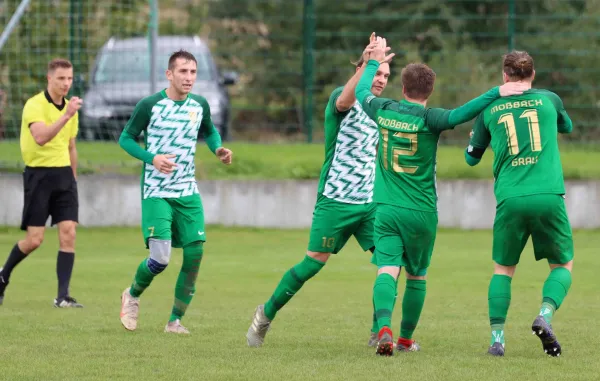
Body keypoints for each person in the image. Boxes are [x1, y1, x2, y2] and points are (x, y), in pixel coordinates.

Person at [354, 38, 528, 356]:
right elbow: (461, 114)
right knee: (417, 275)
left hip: (387, 208)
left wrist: (373, 62)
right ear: (429, 91)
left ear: (403, 87)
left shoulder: (383, 109)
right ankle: (405, 340)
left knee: (386, 271)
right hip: (421, 212)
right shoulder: (431, 119)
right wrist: (496, 92)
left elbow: (362, 92)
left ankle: (383, 329)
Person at [246, 33, 395, 348]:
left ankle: (379, 333)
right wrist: (370, 61)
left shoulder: (378, 108)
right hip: (336, 201)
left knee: (392, 262)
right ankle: (265, 314)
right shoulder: (341, 98)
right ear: (362, 67)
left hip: (371, 205)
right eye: (376, 73)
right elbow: (347, 98)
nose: (380, 79)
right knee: (312, 264)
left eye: (385, 75)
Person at [464, 51, 574, 357]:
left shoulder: (490, 107)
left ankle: (497, 341)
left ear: (504, 75)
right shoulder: (550, 99)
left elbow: (470, 159)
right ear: (533, 74)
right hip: (549, 195)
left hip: (510, 197)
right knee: (563, 264)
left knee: (503, 269)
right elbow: (567, 127)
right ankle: (545, 315)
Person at [118, 49, 233, 334]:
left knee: (194, 256)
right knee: (161, 259)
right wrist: (152, 158)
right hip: (157, 191)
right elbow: (126, 138)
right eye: (183, 71)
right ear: (169, 74)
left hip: (187, 192)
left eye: (193, 72)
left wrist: (218, 148)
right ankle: (132, 295)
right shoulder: (150, 105)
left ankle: (174, 321)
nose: (189, 77)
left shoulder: (200, 105)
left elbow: (210, 131)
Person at [0, 58, 83, 308]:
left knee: (68, 233)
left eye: (69, 78)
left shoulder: (71, 109)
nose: (66, 83)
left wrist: (74, 178)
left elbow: (71, 146)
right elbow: (41, 138)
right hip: (39, 177)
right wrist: (66, 115)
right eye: (61, 78)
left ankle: (63, 296)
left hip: (64, 178)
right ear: (49, 79)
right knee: (35, 239)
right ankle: (3, 275)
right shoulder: (34, 106)